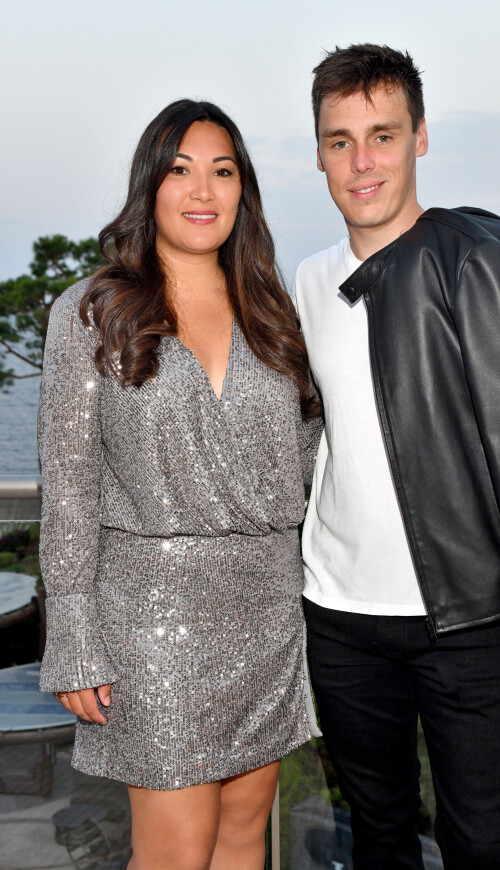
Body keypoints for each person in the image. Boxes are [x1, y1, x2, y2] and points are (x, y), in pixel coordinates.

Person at [293, 43, 500, 870]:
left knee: (485, 845)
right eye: (340, 140)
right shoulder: (309, 282)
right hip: (338, 617)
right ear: (317, 153)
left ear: (421, 137)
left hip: (464, 618)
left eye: (382, 135)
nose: (362, 161)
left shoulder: (475, 262)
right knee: (377, 838)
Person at [38, 98, 321, 870]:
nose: (203, 191)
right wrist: (73, 637)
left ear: (244, 191)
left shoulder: (274, 315)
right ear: (150, 187)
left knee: (241, 836)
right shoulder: (94, 312)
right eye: (180, 170)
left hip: (267, 609)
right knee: (176, 852)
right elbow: (69, 489)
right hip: (151, 622)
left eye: (222, 171)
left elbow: (305, 459)